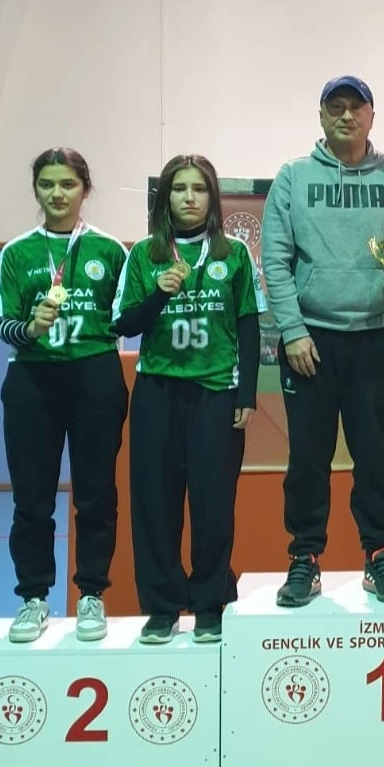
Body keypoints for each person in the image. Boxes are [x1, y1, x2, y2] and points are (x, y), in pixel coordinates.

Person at [260, 75, 384, 608]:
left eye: (357, 107)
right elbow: (275, 260)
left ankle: (378, 554)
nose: (346, 116)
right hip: (311, 341)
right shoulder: (293, 177)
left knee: (375, 460)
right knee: (307, 459)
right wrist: (292, 330)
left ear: (372, 116)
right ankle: (305, 558)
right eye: (336, 107)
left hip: (378, 339)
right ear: (321, 115)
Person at [111, 154, 262, 644]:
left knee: (213, 504)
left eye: (199, 188)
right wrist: (158, 294)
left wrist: (246, 393)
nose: (189, 198)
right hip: (157, 391)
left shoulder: (233, 252)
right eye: (179, 188)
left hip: (217, 391)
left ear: (212, 197)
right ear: (166, 198)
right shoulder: (144, 255)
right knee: (156, 504)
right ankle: (161, 607)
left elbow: (249, 324)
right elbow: (124, 324)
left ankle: (210, 602)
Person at [0, 147, 129, 644]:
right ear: (36, 189)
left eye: (68, 184)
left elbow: (125, 316)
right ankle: (33, 598)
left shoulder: (110, 251)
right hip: (33, 380)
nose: (57, 193)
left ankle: (92, 593)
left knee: (96, 494)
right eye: (47, 184)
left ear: (84, 190)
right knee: (32, 498)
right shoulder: (17, 252)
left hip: (96, 376)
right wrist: (31, 328)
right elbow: (3, 325)